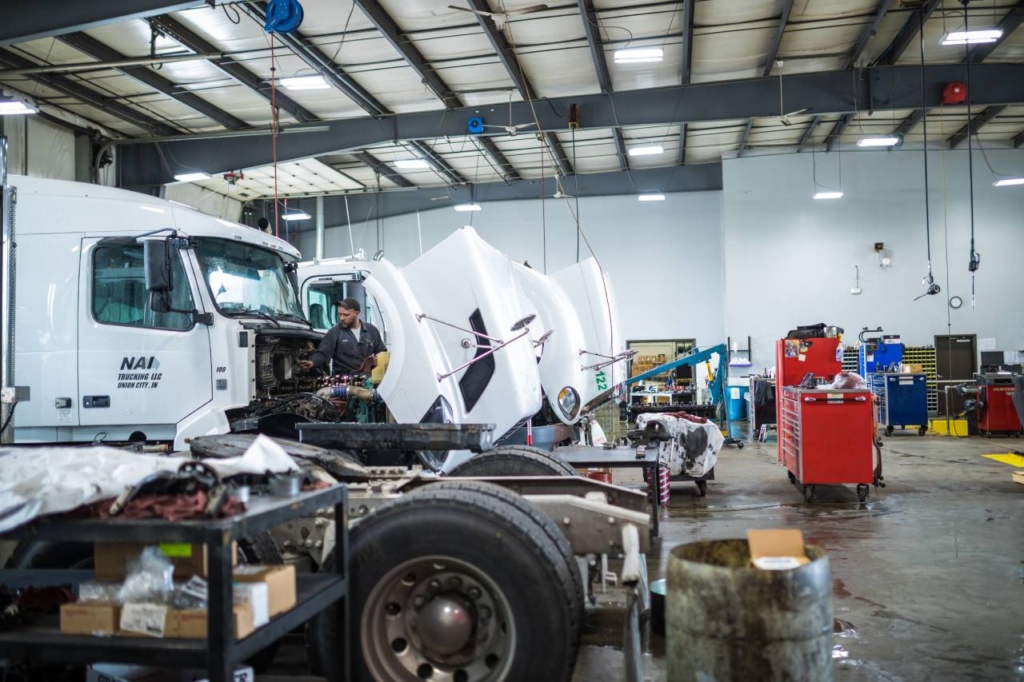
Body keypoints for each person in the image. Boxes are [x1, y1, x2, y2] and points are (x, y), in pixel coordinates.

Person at [299, 297, 386, 376]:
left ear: (356, 313)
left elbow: (382, 353)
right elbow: (322, 353)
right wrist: (312, 362)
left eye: (346, 315)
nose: (342, 318)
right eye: (340, 314)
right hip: (344, 380)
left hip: (368, 378)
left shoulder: (371, 330)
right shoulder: (334, 332)